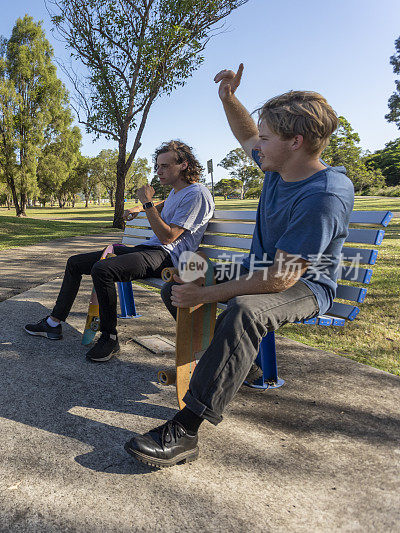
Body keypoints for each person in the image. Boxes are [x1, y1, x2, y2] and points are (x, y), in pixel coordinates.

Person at [124, 65, 355, 468]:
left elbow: (281, 277)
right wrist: (229, 99)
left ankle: (186, 429)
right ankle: (233, 364)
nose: (256, 146)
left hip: (306, 284)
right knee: (178, 282)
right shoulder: (280, 165)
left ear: (295, 142)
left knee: (245, 312)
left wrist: (208, 294)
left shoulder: (324, 194)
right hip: (263, 267)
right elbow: (245, 132)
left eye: (266, 139)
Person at [24, 140, 214, 362]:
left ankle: (109, 336)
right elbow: (165, 204)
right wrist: (138, 208)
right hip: (150, 250)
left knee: (103, 269)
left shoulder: (197, 194)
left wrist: (147, 203)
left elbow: (168, 236)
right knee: (75, 262)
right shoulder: (176, 192)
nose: (158, 171)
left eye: (164, 166)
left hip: (168, 257)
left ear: (183, 165)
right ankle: (53, 324)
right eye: (157, 165)